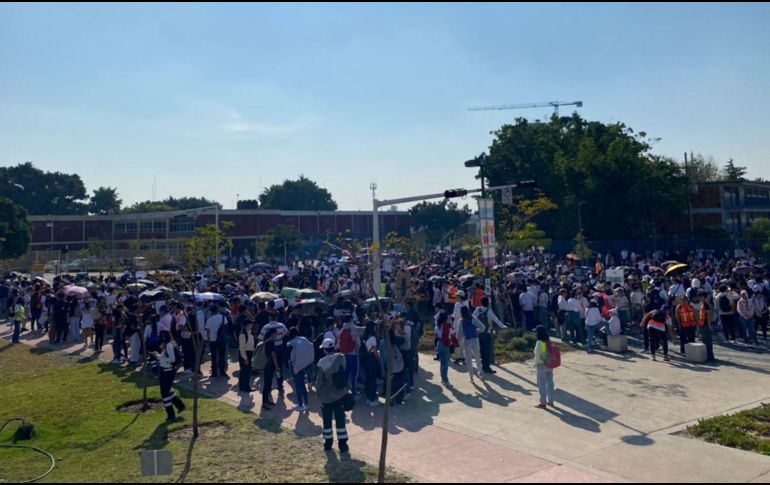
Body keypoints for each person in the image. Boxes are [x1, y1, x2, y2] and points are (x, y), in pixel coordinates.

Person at [315, 338, 349, 453]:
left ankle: (328, 443)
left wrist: (317, 393)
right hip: (339, 394)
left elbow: (319, 381)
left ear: (324, 349)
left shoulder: (321, 363)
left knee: (327, 420)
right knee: (340, 419)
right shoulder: (341, 358)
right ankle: (343, 443)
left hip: (326, 396)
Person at [153, 330, 186, 423]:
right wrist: (158, 355)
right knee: (167, 390)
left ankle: (171, 414)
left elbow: (172, 359)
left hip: (168, 371)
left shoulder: (169, 345)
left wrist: (162, 359)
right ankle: (180, 405)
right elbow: (165, 357)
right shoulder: (169, 344)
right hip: (165, 370)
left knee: (164, 393)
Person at [473, 297, 506, 374]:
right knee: (486, 351)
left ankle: (482, 365)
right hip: (486, 334)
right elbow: (496, 320)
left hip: (478, 333)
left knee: (481, 350)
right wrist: (503, 326)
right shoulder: (489, 311)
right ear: (488, 303)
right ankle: (486, 367)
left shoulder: (478, 310)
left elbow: (473, 318)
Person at [288, 327, 315, 411]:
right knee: (303, 385)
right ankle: (306, 404)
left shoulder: (292, 343)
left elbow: (291, 353)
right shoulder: (305, 339)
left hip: (297, 365)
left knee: (299, 385)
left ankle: (300, 404)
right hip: (307, 364)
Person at [460, 306, 486, 384]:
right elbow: (483, 327)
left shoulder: (461, 321)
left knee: (468, 359)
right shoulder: (473, 318)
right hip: (475, 338)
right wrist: (478, 331)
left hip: (467, 340)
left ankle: (471, 377)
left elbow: (459, 333)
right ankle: (480, 372)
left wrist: (460, 342)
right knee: (477, 356)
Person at [361, 320, 381, 406]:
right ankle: (372, 398)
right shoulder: (373, 337)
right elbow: (375, 351)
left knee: (368, 378)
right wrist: (378, 360)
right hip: (372, 359)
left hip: (365, 359)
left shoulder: (364, 336)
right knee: (372, 379)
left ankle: (368, 396)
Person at [534, 325, 555, 409]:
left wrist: (535, 364)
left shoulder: (539, 343)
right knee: (550, 383)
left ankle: (542, 403)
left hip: (541, 365)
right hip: (549, 364)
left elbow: (537, 355)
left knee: (541, 384)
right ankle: (550, 401)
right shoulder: (548, 341)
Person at [262, 327, 280, 411]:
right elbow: (273, 355)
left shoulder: (267, 341)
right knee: (267, 384)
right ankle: (264, 402)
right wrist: (276, 366)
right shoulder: (271, 342)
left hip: (267, 364)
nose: (276, 335)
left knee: (268, 383)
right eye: (276, 333)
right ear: (272, 333)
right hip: (269, 365)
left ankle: (267, 401)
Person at [435, 311, 454, 387]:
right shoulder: (448, 325)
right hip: (446, 344)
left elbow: (436, 334)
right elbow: (453, 332)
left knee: (442, 363)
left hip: (439, 343)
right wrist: (451, 323)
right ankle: (446, 380)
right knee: (445, 364)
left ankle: (443, 379)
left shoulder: (437, 325)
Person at [238, 321, 256, 393]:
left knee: (247, 372)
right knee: (244, 371)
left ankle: (246, 386)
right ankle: (243, 387)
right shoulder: (243, 334)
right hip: (245, 353)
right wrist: (245, 358)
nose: (252, 325)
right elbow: (242, 348)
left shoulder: (249, 332)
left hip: (249, 352)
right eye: (250, 324)